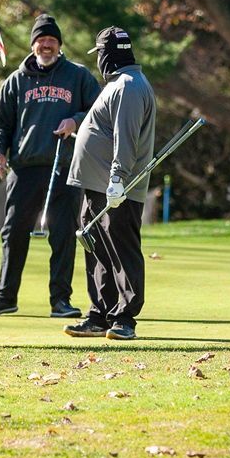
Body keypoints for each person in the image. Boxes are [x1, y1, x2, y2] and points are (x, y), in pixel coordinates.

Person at [0, 14, 101, 318]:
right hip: (24, 168)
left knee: (62, 234)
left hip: (66, 167)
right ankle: (6, 297)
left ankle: (61, 301)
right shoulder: (16, 81)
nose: (46, 45)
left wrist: (76, 120)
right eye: (41, 40)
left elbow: (99, 112)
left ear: (59, 44)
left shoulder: (78, 76)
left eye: (52, 40)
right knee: (13, 232)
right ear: (33, 45)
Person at [64, 26, 156, 341]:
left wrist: (117, 178)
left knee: (121, 250)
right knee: (97, 250)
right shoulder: (119, 84)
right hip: (97, 185)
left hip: (117, 189)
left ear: (108, 54)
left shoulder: (129, 86)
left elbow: (126, 138)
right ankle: (101, 315)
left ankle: (125, 318)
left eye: (100, 54)